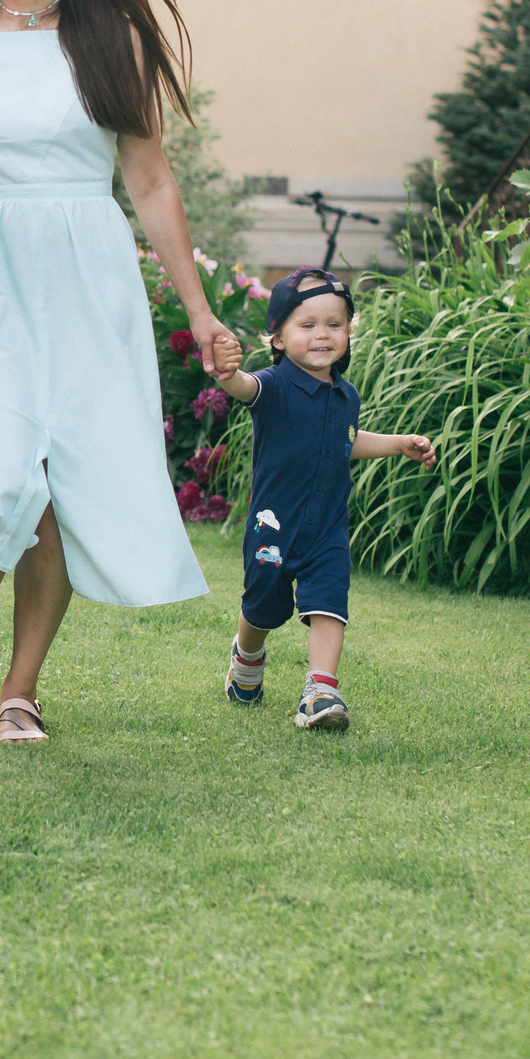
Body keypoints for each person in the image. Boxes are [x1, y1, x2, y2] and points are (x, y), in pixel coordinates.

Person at [0, 0, 240, 744]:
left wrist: (200, 310)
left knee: (51, 479)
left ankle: (21, 684)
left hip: (83, 273)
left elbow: (151, 179)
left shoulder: (108, 37)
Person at [207, 267, 435, 730]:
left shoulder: (345, 396)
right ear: (277, 338)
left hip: (326, 528)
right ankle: (246, 657)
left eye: (334, 324)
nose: (322, 335)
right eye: (307, 325)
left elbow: (345, 441)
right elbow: (241, 387)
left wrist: (396, 444)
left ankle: (321, 689)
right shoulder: (272, 386)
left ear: (349, 333)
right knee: (263, 605)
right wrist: (227, 371)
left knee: (329, 600)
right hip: (274, 525)